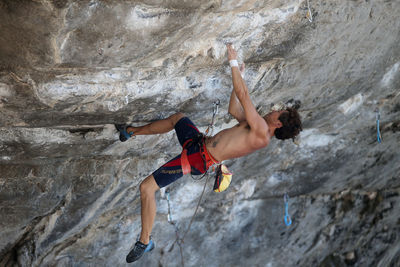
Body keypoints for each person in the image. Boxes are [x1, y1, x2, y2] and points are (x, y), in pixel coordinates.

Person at [118, 44, 302, 263]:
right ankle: (130, 132)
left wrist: (233, 62)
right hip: (198, 144)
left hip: (197, 158)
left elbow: (244, 95)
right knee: (178, 118)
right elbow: (234, 109)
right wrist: (239, 78)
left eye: (278, 111)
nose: (274, 109)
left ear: (278, 123)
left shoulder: (262, 132)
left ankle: (145, 241)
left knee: (147, 187)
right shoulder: (257, 126)